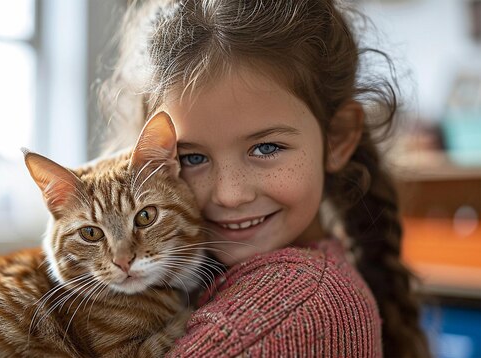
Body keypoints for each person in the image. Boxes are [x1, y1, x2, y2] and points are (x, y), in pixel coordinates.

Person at [99, 0, 430, 356]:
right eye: (191, 157)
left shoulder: (292, 310)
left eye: (266, 148)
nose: (230, 195)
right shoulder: (199, 279)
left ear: (337, 138)